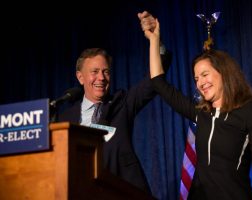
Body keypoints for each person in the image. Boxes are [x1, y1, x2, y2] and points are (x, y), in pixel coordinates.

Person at [144, 19, 252, 199]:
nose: (200, 83)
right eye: (196, 79)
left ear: (224, 73)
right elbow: (158, 83)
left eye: (205, 75)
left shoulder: (251, 112)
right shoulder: (202, 114)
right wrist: (154, 39)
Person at [58, 11, 171, 194]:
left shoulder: (121, 103)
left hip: (123, 191)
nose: (101, 78)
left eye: (106, 71)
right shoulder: (64, 119)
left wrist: (155, 40)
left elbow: (154, 80)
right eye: (94, 72)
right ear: (80, 77)